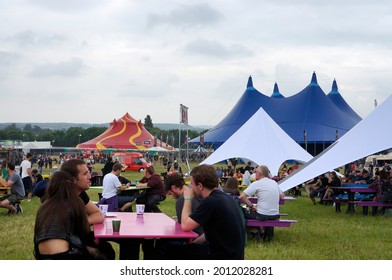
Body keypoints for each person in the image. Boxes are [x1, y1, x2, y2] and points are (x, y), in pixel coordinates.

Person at [165, 164, 246, 260]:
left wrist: (187, 198)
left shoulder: (210, 202)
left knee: (167, 250)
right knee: (181, 248)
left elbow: (185, 226)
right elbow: (208, 235)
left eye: (192, 184)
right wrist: (193, 244)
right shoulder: (226, 198)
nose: (191, 188)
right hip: (234, 255)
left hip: (219, 256)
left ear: (199, 186)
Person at [34, 171, 106, 259]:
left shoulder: (43, 207)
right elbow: (81, 229)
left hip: (41, 256)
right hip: (65, 255)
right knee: (103, 253)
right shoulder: (73, 202)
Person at [60, 159, 115, 259]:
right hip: (69, 245)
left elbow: (99, 215)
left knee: (108, 248)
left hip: (81, 236)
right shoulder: (60, 198)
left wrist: (81, 222)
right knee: (103, 253)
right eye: (85, 174)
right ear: (73, 179)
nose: (90, 177)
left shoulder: (80, 194)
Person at [240, 165, 284, 241]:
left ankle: (254, 231)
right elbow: (282, 196)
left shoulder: (257, 183)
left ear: (259, 174)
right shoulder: (274, 183)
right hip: (275, 215)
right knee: (264, 211)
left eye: (256, 171)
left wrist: (251, 206)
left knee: (241, 212)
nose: (254, 172)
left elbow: (242, 196)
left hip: (262, 215)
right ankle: (265, 234)